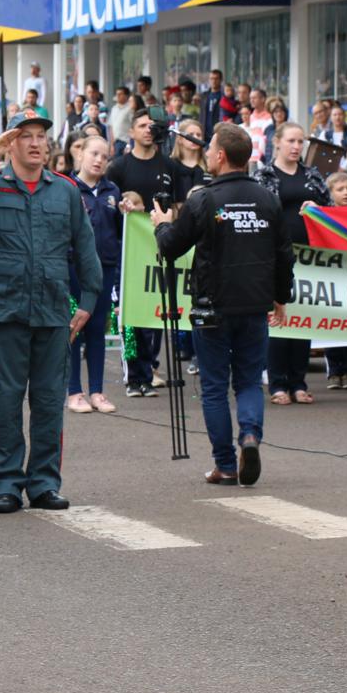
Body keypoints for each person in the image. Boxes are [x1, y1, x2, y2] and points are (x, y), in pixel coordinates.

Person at [0, 113, 102, 513]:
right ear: (10, 144)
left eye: (40, 137)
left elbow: (85, 248)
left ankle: (44, 483)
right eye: (24, 136)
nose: (34, 143)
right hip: (5, 311)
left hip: (51, 311)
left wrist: (89, 301)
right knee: (6, 401)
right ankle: (6, 484)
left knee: (47, 402)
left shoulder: (63, 191)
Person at [151, 123, 293, 486]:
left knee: (214, 386)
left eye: (211, 148)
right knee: (247, 381)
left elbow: (171, 247)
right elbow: (283, 254)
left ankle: (226, 465)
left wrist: (163, 224)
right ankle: (249, 437)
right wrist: (280, 297)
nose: (208, 154)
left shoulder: (204, 198)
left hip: (211, 305)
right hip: (254, 304)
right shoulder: (267, 198)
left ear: (221, 156)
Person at [106, 110, 188, 397]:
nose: (147, 130)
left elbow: (177, 208)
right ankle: (133, 377)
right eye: (141, 125)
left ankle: (149, 368)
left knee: (155, 315)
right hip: (126, 252)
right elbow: (110, 207)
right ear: (131, 132)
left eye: (151, 126)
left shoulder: (170, 166)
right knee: (130, 316)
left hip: (159, 249)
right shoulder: (118, 167)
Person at [255, 123, 328, 404]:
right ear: (278, 142)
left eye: (301, 142)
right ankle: (277, 383)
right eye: (292, 141)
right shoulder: (263, 175)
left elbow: (333, 211)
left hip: (309, 257)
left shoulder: (312, 175)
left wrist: (318, 210)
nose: (297, 147)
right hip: (273, 255)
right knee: (278, 319)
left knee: (303, 319)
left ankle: (299, 381)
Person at [67, 134, 121, 414]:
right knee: (74, 328)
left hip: (106, 268)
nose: (99, 160)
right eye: (94, 154)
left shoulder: (113, 192)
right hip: (73, 269)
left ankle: (97, 391)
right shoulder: (66, 188)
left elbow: (122, 234)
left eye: (105, 156)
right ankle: (74, 391)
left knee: (98, 329)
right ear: (80, 154)